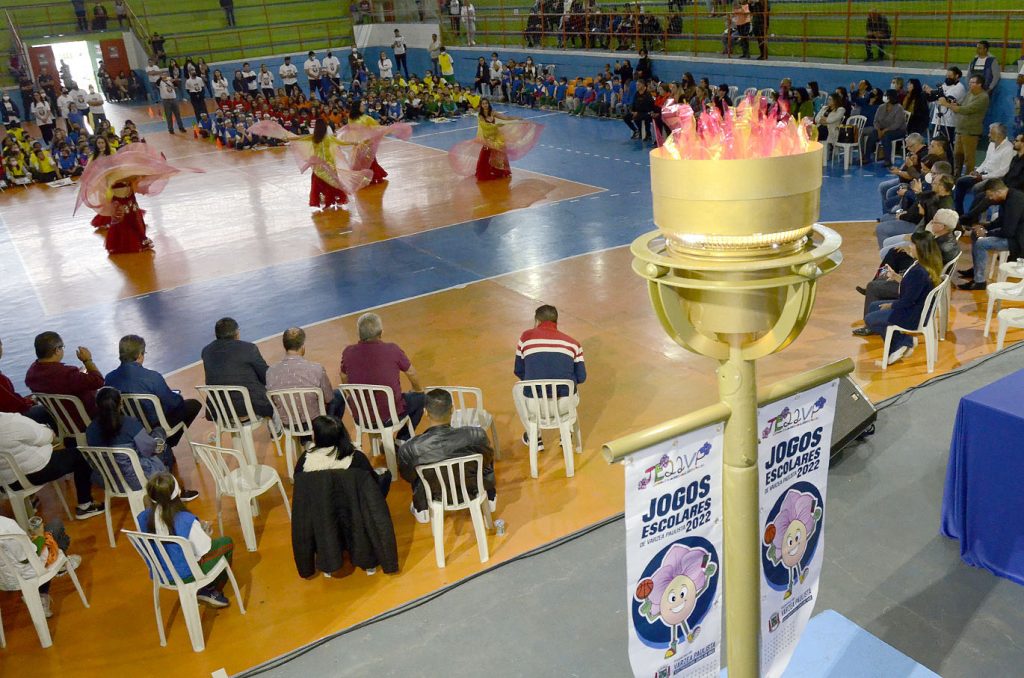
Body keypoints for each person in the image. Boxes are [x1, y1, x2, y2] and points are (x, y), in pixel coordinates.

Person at [291, 416, 397, 577]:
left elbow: (302, 503)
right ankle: (368, 563)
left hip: (323, 518)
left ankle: (328, 564)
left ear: (317, 436)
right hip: (356, 514)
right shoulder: (357, 459)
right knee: (383, 478)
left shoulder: (304, 463)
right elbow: (372, 490)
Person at [397, 388, 496, 524]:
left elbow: (408, 476)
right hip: (473, 489)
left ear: (425, 412)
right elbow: (488, 460)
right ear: (452, 410)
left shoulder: (410, 448)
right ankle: (489, 497)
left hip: (435, 495)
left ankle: (422, 508)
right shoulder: (476, 435)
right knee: (486, 456)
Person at [137, 473, 232, 607]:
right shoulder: (185, 520)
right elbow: (204, 549)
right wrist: (205, 532)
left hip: (161, 573)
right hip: (186, 574)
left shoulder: (142, 517)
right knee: (226, 542)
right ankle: (210, 590)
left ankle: (207, 591)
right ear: (178, 493)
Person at [85, 387, 198, 498]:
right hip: (137, 479)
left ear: (97, 405)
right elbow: (149, 450)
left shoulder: (90, 430)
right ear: (120, 404)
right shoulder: (130, 424)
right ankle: (173, 492)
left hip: (110, 481)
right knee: (162, 442)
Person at [104, 335, 202, 449]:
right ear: (140, 355)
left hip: (131, 426)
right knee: (193, 404)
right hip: (155, 424)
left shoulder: (109, 378)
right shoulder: (153, 377)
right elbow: (174, 403)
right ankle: (166, 443)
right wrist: (178, 396)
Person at [862, 231, 944, 366]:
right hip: (918, 307)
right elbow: (915, 289)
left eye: (913, 244)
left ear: (921, 248)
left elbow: (907, 301)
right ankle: (897, 348)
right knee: (873, 307)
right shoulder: (926, 265)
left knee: (870, 319)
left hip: (912, 315)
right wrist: (896, 277)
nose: (909, 246)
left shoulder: (918, 271)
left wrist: (890, 305)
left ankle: (904, 341)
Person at [0, 412, 103, 518]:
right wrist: (47, 430)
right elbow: (48, 437)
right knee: (82, 456)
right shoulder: (13, 423)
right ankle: (85, 505)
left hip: (7, 482)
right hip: (33, 473)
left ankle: (31, 499)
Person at [340, 312, 425, 439]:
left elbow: (343, 377)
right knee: (421, 398)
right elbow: (412, 373)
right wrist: (418, 390)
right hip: (390, 417)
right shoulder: (392, 349)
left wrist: (352, 395)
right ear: (381, 332)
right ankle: (402, 438)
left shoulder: (348, 352)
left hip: (361, 417)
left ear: (359, 334)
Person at [514, 305, 586, 450]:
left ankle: (534, 437)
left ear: (537, 321)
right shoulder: (573, 344)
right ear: (556, 321)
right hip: (565, 406)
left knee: (517, 389)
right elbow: (581, 377)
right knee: (571, 387)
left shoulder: (526, 338)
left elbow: (519, 370)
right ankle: (567, 434)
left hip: (535, 407)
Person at [0, 515, 82, 619]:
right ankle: (43, 593)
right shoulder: (6, 524)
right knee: (56, 525)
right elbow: (27, 557)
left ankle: (40, 594)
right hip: (28, 571)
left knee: (60, 538)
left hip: (4, 580)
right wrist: (39, 535)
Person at [24, 332, 103, 433]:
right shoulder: (67, 374)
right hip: (85, 419)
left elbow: (56, 383)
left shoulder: (31, 373)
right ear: (57, 350)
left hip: (60, 422)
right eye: (62, 347)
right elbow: (98, 381)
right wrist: (87, 361)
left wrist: (79, 375)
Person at [267, 327, 344, 425]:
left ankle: (304, 439)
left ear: (285, 346)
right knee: (338, 395)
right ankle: (330, 434)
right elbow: (328, 398)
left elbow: (273, 402)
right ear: (303, 346)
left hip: (288, 423)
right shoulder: (316, 369)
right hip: (314, 422)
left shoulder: (271, 372)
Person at [959, 180, 1024, 291]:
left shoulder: (1015, 201)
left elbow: (1008, 232)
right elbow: (1000, 221)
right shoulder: (1005, 198)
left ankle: (980, 282)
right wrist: (984, 227)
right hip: (1013, 234)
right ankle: (976, 270)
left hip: (1018, 240)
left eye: (991, 195)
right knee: (976, 234)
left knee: (981, 243)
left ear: (998, 191)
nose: (990, 199)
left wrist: (986, 233)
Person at [201, 317, 273, 418]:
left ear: (216, 334)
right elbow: (266, 376)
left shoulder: (206, 351)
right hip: (249, 407)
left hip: (218, 410)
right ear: (237, 333)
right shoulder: (248, 348)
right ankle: (277, 431)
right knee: (275, 395)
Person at [952, 123, 1013, 214]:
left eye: (990, 133)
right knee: (961, 181)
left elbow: (1002, 172)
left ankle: (973, 216)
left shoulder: (1008, 149)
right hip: (983, 174)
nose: (988, 135)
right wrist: (977, 171)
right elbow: (986, 161)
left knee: (977, 188)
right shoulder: (991, 144)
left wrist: (982, 177)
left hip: (995, 179)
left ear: (999, 135)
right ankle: (958, 212)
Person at [940, 75, 990, 177]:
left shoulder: (983, 97)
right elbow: (961, 106)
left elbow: (967, 110)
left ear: (979, 84)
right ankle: (956, 176)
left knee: (969, 158)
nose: (969, 84)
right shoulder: (969, 93)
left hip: (971, 131)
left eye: (972, 82)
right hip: (960, 129)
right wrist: (954, 104)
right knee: (957, 155)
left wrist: (947, 105)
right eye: (970, 82)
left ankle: (968, 177)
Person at [862, 89, 907, 165]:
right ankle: (867, 157)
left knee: (886, 136)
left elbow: (897, 124)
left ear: (891, 97)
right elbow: (875, 121)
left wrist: (884, 130)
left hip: (898, 130)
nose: (884, 97)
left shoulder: (899, 108)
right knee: (873, 133)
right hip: (882, 129)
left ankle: (887, 160)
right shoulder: (881, 107)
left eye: (886, 95)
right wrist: (878, 130)